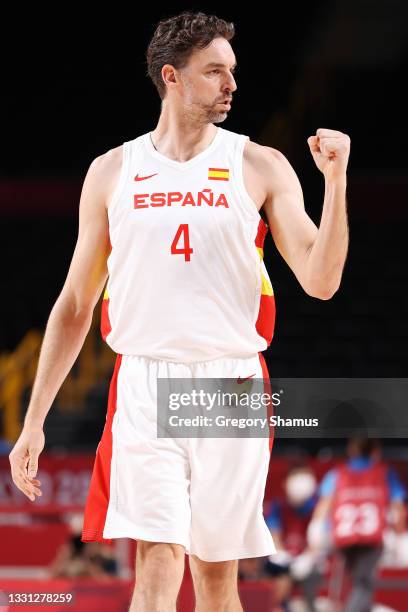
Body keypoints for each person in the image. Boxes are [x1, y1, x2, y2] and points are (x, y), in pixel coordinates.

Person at [8, 10, 350, 611]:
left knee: (217, 577)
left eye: (233, 71)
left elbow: (321, 282)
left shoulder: (260, 164)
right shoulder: (113, 171)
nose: (231, 84)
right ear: (172, 76)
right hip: (146, 377)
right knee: (157, 563)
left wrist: (337, 180)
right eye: (215, 71)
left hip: (231, 382)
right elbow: (74, 305)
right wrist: (34, 420)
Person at [308, 438, 406, 612]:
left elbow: (324, 505)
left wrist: (316, 531)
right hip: (372, 540)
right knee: (363, 585)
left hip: (342, 538)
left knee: (351, 583)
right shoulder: (384, 472)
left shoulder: (337, 473)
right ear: (375, 451)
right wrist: (399, 535)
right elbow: (398, 507)